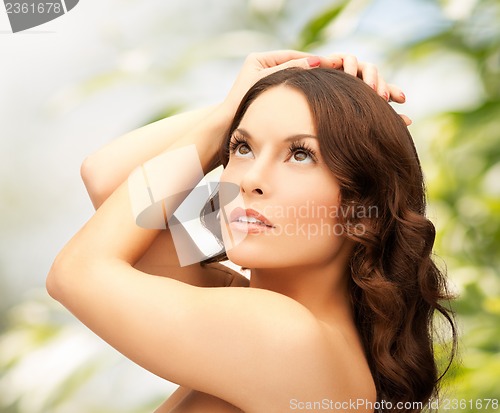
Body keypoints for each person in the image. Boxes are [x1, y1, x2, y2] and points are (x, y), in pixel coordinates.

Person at [47, 51, 456, 413]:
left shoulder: (285, 336)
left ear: (363, 214)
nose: (250, 179)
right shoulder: (267, 317)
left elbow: (76, 272)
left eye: (300, 155)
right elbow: (105, 178)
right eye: (242, 148)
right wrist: (237, 106)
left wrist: (231, 117)